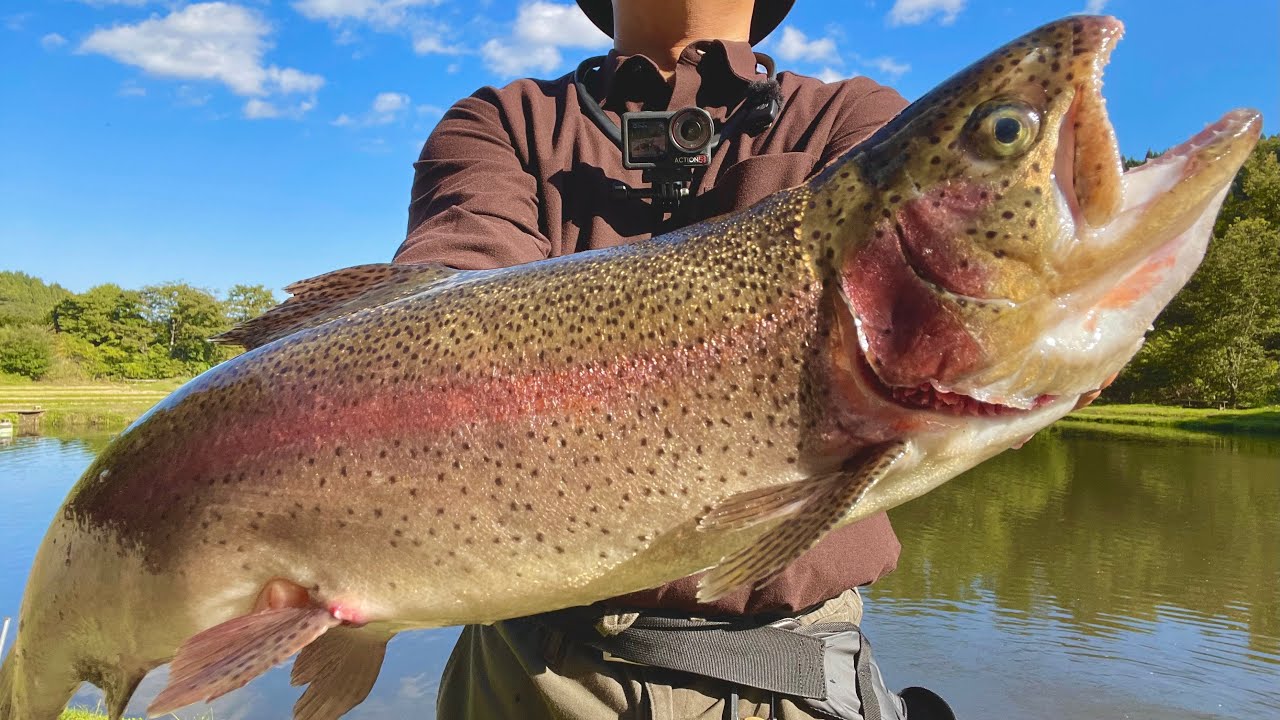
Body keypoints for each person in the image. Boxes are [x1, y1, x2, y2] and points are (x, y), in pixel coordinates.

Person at [397, 1, 952, 717]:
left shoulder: (855, 117)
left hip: (798, 670)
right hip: (533, 669)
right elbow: (445, 321)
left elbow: (929, 311)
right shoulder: (503, 120)